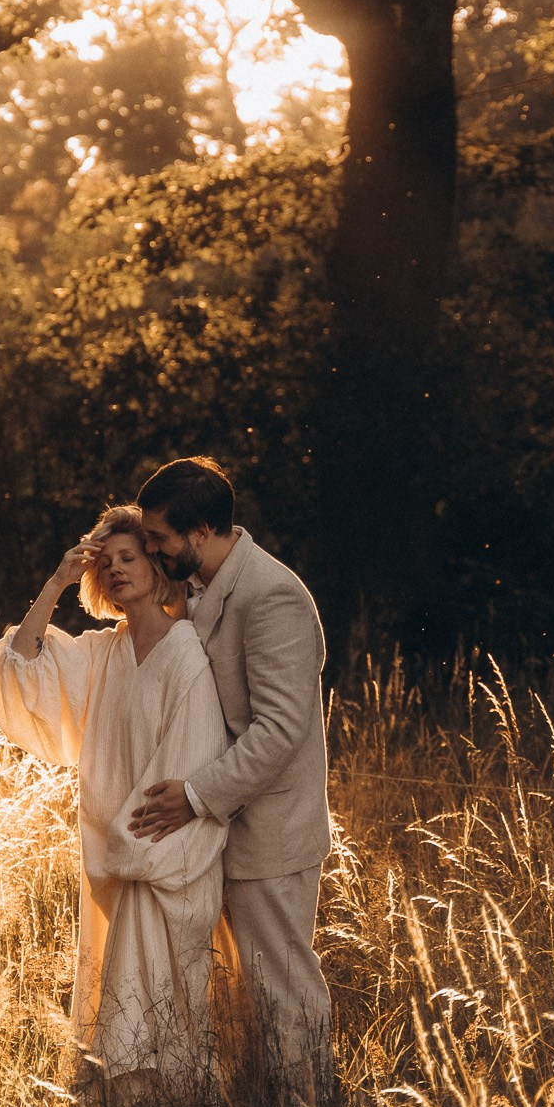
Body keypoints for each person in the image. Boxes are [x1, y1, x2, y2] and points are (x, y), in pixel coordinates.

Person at [0, 505, 231, 1091]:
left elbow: (190, 759)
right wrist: (55, 583)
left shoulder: (188, 653)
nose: (119, 569)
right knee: (115, 994)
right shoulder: (101, 653)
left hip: (163, 852)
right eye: (109, 561)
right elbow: (22, 662)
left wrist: (137, 842)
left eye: (131, 557)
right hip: (115, 859)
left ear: (157, 564)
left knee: (166, 995)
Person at [129, 457, 332, 1075]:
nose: (152, 549)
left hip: (270, 830)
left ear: (201, 531)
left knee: (285, 993)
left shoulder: (273, 596)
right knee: (238, 997)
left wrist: (193, 795)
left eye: (160, 538)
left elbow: (279, 730)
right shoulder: (194, 589)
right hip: (220, 835)